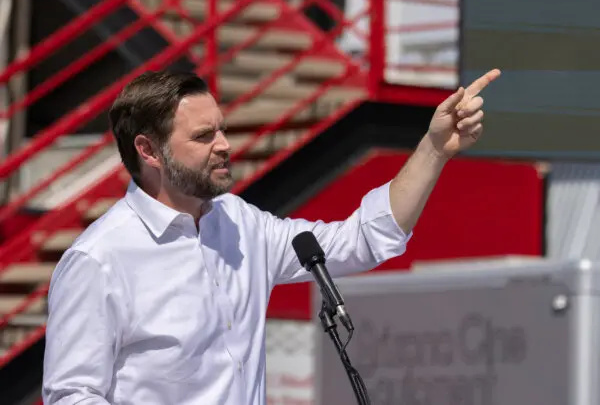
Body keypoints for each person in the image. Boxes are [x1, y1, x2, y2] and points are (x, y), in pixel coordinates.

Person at [42, 68, 500, 404]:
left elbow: (363, 239)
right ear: (148, 150)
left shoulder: (240, 224)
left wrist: (434, 148)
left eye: (222, 128)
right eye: (203, 136)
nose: (224, 144)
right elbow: (72, 396)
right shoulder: (98, 259)